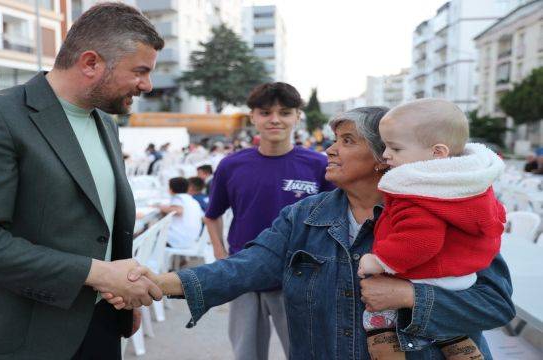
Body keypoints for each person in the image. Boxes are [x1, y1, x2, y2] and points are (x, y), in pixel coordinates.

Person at [105, 106, 515, 359]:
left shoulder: (444, 210)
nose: (330, 150)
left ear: (383, 157)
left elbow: (494, 304)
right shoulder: (305, 216)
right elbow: (246, 267)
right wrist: (160, 282)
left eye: (347, 141)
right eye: (334, 140)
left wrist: (411, 296)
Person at [0, 3, 164, 359]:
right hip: (17, 339)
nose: (147, 85)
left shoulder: (104, 123)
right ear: (90, 63)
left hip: (99, 325)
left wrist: (122, 292)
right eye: (140, 71)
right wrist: (101, 274)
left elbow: (99, 225)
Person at [357, 99, 505, 359]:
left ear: (437, 152)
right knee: (447, 328)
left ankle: (386, 350)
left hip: (425, 273)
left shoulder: (418, 190)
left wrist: (379, 260)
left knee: (376, 316)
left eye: (395, 148)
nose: (386, 155)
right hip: (461, 277)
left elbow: (420, 240)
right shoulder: (468, 185)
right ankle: (458, 343)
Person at [202, 82, 335, 360]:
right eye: (265, 112)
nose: (275, 120)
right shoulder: (231, 165)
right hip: (245, 275)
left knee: (305, 353)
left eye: (285, 112)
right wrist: (221, 254)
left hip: (299, 275)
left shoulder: (318, 165)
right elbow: (212, 215)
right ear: (253, 117)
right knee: (246, 354)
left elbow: (335, 221)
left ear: (298, 116)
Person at [156, 177, 204, 249]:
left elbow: (179, 210)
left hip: (179, 240)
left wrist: (159, 207)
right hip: (193, 240)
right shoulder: (192, 200)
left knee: (150, 234)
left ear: (171, 189)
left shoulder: (178, 197)